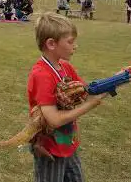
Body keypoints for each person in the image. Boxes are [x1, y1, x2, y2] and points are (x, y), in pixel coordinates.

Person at [28, 13, 110, 182]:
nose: (75, 46)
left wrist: (119, 79)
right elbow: (54, 120)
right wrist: (90, 105)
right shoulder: (41, 74)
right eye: (70, 42)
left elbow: (89, 91)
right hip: (49, 147)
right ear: (51, 43)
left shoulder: (65, 66)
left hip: (67, 142)